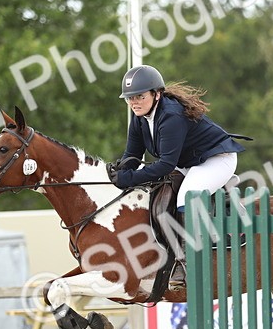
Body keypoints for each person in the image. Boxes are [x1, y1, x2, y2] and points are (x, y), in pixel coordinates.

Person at [106, 65, 250, 285]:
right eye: (129, 98)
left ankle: (187, 261)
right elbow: (132, 155)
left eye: (139, 96)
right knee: (158, 192)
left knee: (186, 196)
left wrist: (130, 178)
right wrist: (120, 173)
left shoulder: (171, 116)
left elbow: (165, 165)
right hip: (189, 162)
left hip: (216, 159)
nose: (134, 102)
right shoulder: (139, 118)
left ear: (157, 94)